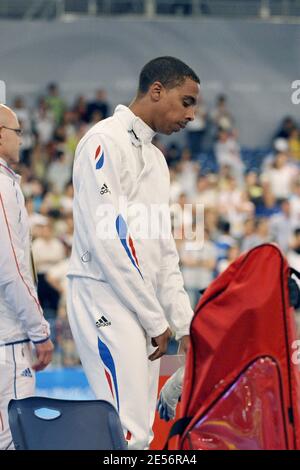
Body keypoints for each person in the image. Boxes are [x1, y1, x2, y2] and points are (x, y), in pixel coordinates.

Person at [67, 56, 200, 449]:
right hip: (103, 296)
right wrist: (156, 317)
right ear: (157, 90)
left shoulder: (157, 161)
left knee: (140, 431)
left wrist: (185, 323)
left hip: (143, 310)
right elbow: (110, 239)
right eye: (187, 101)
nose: (192, 115)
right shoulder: (102, 141)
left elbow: (163, 252)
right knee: (127, 433)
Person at [0, 104, 53, 450]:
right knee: (13, 442)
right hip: (9, 340)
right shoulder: (3, 187)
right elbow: (11, 270)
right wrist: (40, 332)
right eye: (18, 132)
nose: (23, 140)